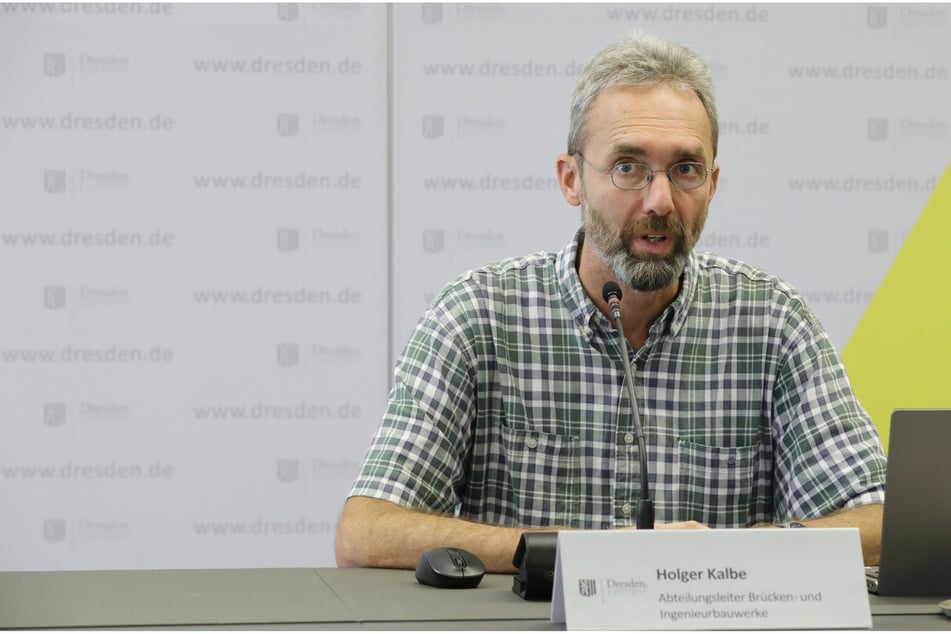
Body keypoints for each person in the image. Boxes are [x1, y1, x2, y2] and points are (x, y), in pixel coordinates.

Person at [335, 32, 887, 573]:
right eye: (627, 167)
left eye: (686, 169)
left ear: (713, 184)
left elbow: (883, 523)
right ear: (571, 179)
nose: (661, 199)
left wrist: (727, 554)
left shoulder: (771, 322)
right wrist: (583, 554)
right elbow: (367, 532)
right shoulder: (478, 316)